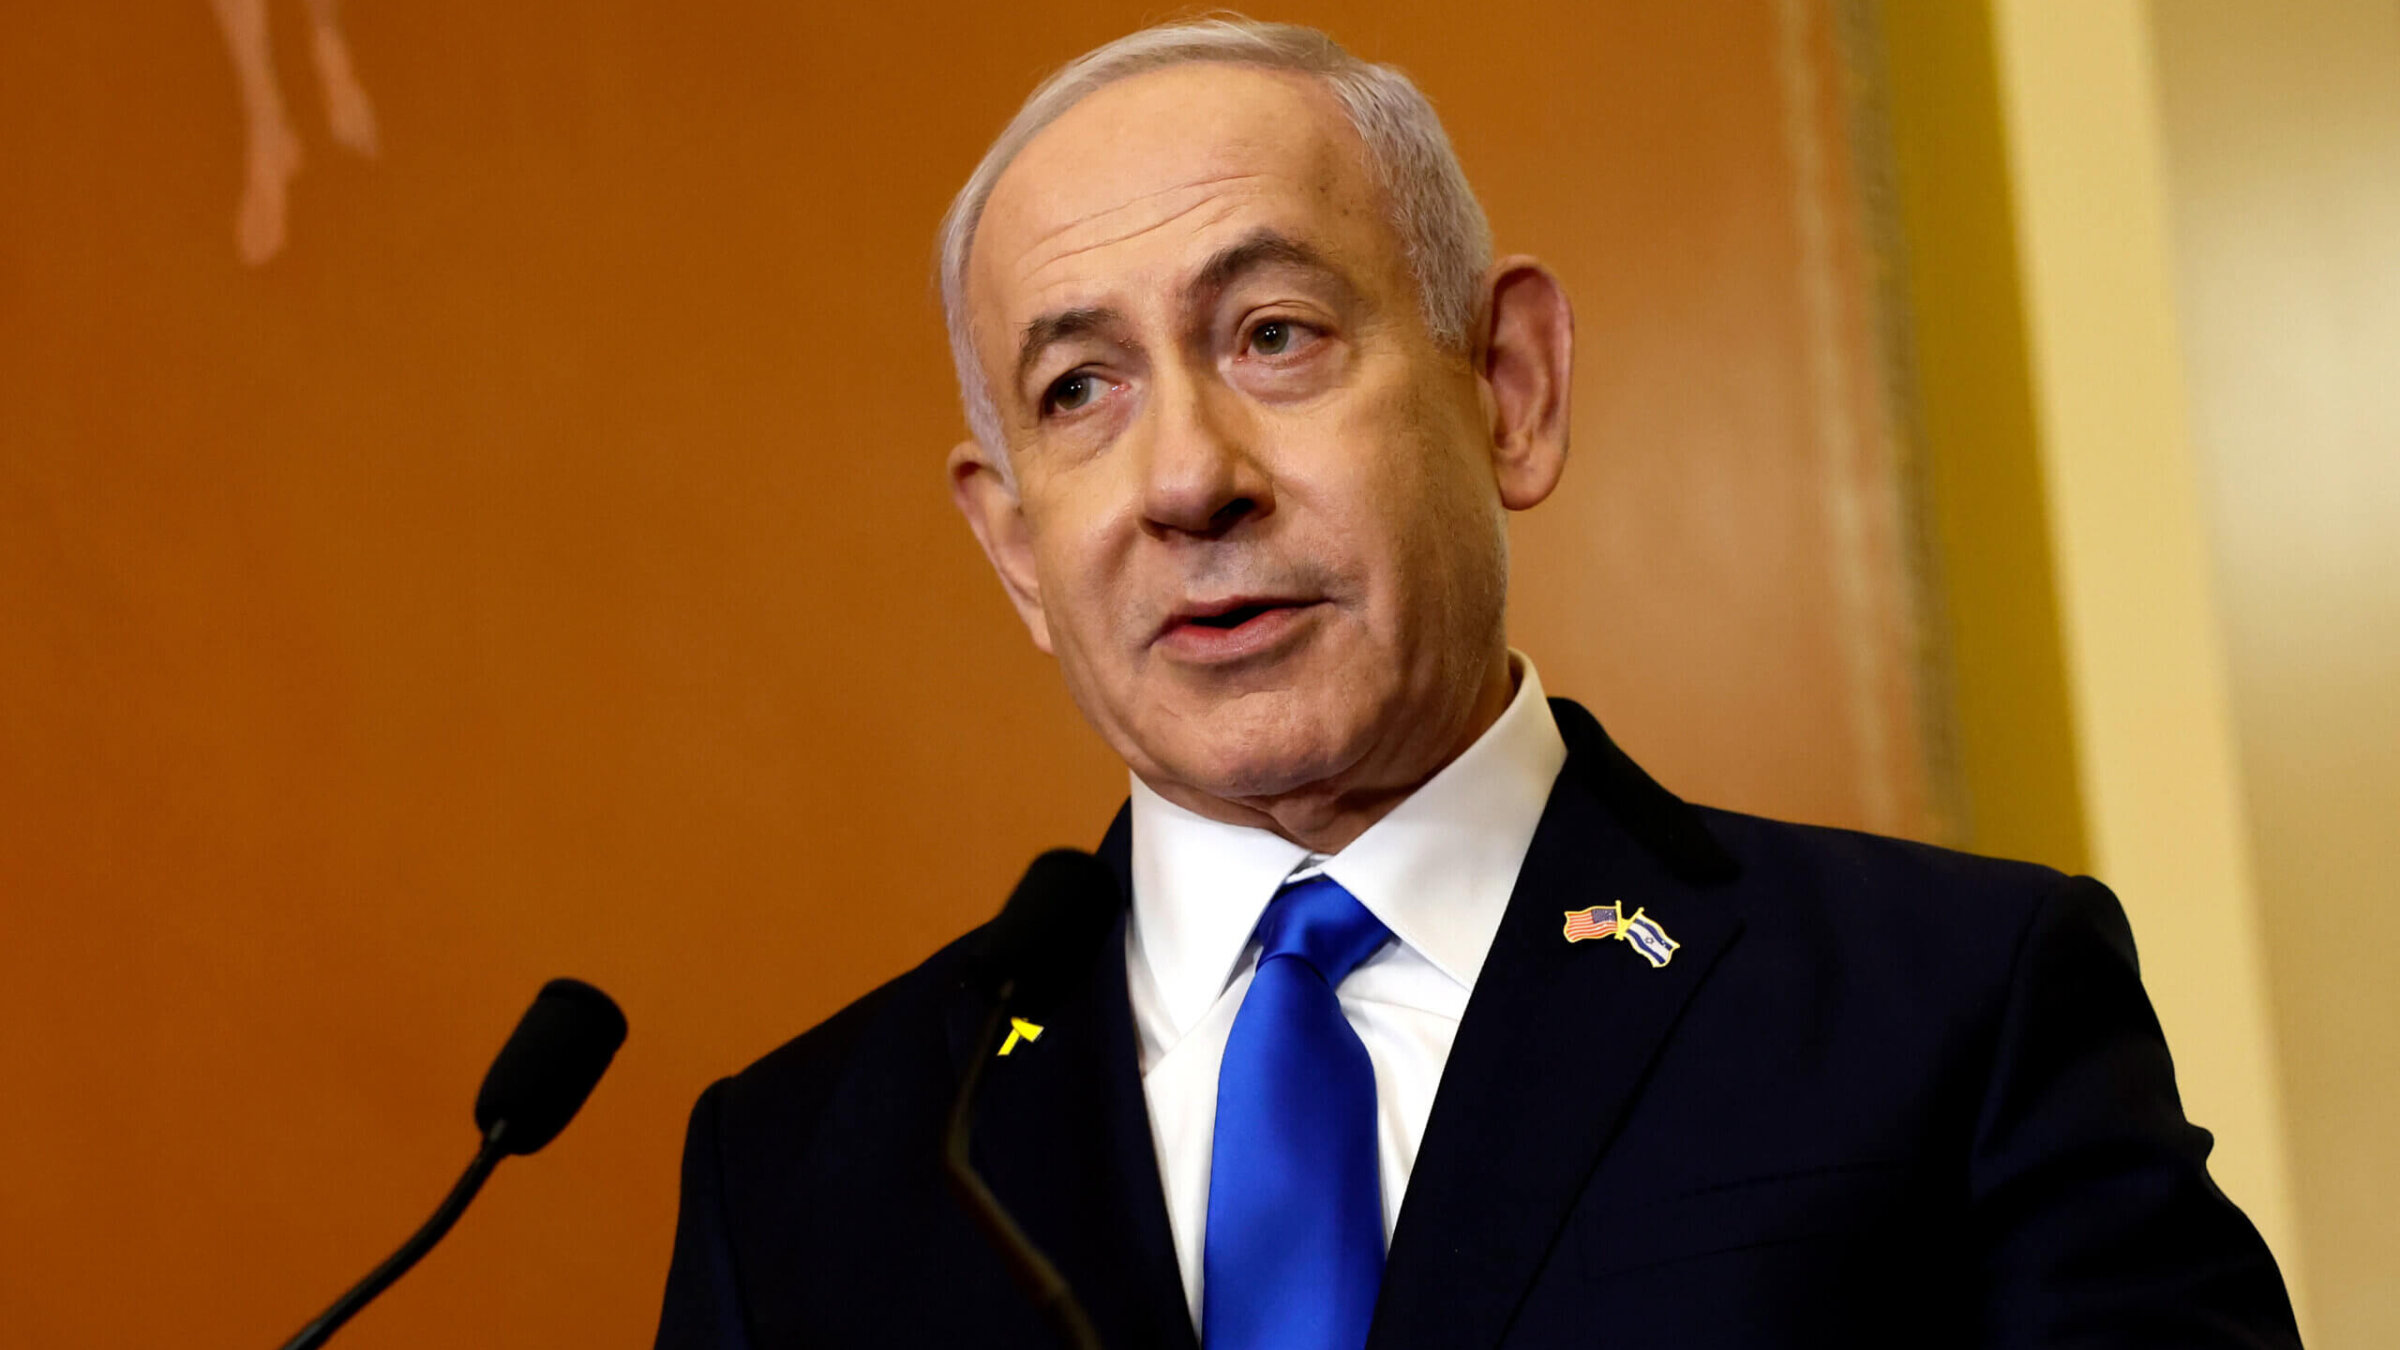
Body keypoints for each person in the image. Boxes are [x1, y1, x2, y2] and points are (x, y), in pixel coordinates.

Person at [655, 18, 2300, 1349]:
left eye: (1275, 335)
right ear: (1015, 544)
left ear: (1509, 388)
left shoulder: (1952, 1003)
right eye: (1079, 387)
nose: (1187, 479)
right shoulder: (811, 1166)